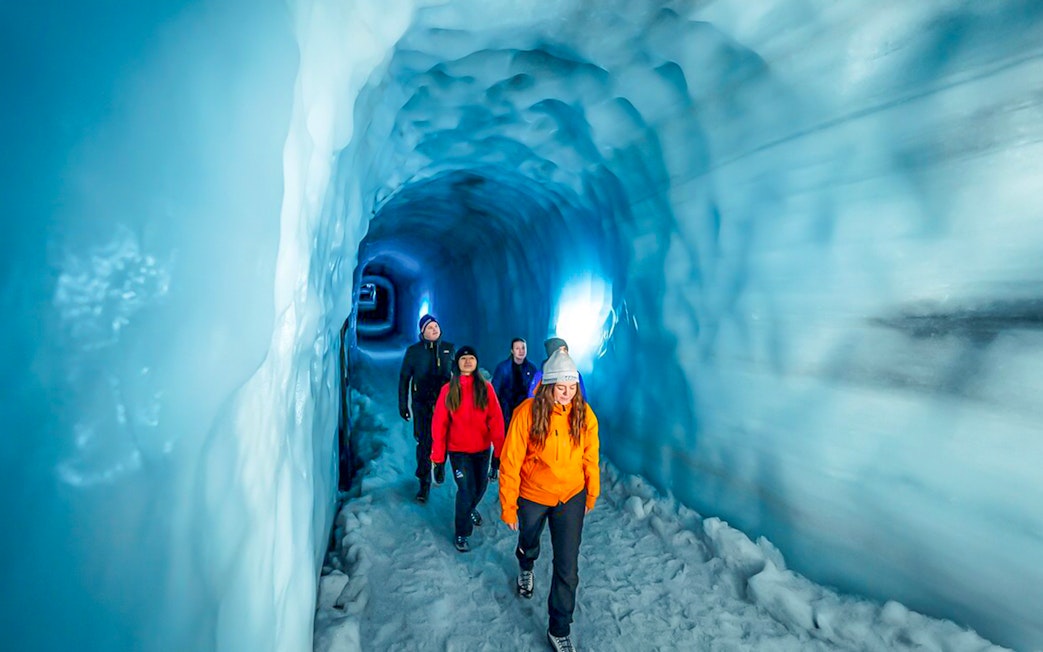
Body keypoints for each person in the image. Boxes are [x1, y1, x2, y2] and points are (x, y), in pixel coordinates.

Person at [499, 350, 599, 652]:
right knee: (529, 540)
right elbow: (511, 460)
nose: (567, 394)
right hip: (533, 494)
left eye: (572, 388)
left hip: (570, 496)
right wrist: (508, 503)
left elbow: (590, 457)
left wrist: (591, 491)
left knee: (567, 566)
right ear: (548, 386)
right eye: (561, 388)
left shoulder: (583, 414)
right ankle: (526, 564)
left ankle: (559, 628)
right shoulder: (527, 413)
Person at [430, 346, 505, 552]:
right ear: (458, 363)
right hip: (458, 451)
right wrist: (438, 459)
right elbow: (439, 425)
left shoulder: (486, 388)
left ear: (476, 362)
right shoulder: (449, 390)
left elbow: (496, 421)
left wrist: (497, 455)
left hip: (481, 450)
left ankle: (470, 509)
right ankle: (462, 533)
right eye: (464, 359)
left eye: (472, 358)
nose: (468, 362)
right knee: (466, 489)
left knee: (480, 487)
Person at [398, 314, 454, 503]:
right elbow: (405, 378)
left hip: (444, 405)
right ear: (422, 332)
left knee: (443, 439)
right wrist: (403, 404)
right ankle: (424, 483)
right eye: (429, 327)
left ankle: (439, 465)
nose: (434, 329)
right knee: (424, 443)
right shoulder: (414, 352)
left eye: (436, 326)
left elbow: (459, 376)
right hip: (422, 404)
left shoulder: (448, 349)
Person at [490, 338, 538, 475]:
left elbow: (535, 391)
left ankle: (517, 468)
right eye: (517, 348)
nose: (521, 351)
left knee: (521, 440)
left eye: (523, 348)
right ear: (512, 350)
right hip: (505, 409)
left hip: (523, 411)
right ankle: (495, 466)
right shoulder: (503, 368)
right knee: (503, 440)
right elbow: (495, 391)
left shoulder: (531, 368)